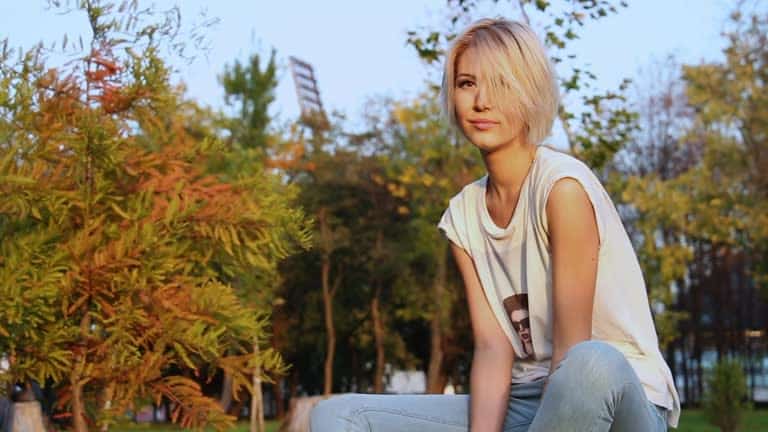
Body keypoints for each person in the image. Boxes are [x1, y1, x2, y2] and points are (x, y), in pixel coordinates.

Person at [310, 17, 680, 431]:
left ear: (530, 92)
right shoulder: (463, 216)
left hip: (616, 402)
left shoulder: (563, 189)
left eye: (500, 84)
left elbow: (571, 348)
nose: (481, 101)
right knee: (336, 415)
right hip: (526, 404)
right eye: (467, 83)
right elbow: (491, 348)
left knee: (589, 363)